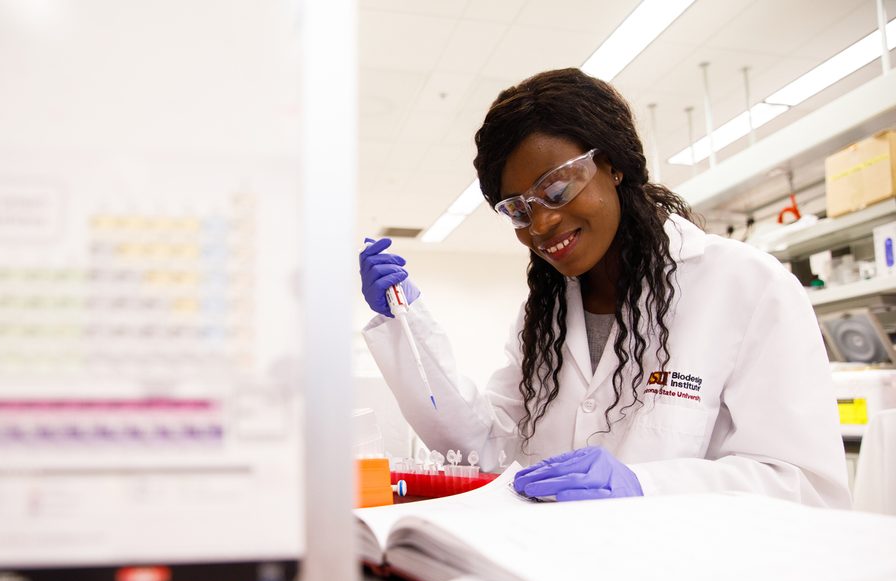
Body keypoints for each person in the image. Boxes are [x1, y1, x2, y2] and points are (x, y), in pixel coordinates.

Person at [358, 68, 851, 508]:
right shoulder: (544, 313)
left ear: (613, 164)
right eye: (518, 209)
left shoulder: (747, 286)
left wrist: (647, 486)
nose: (542, 223)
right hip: (556, 578)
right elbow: (486, 448)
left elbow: (808, 487)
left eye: (556, 189)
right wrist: (407, 325)